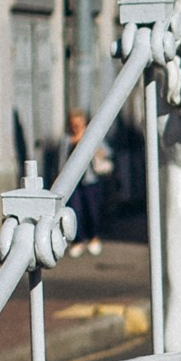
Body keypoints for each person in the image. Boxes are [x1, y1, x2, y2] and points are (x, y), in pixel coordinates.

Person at [60, 110, 111, 256]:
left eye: (78, 124)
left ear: (84, 123)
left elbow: (107, 152)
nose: (75, 127)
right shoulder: (67, 140)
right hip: (73, 182)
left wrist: (97, 150)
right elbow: (62, 160)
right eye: (73, 124)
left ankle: (93, 237)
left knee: (92, 210)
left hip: (90, 179)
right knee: (75, 210)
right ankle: (77, 240)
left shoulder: (91, 137)